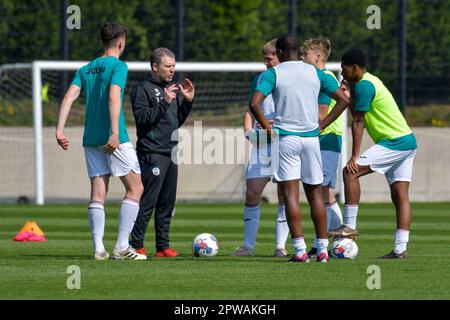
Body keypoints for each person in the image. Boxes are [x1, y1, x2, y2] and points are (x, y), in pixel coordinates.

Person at [250, 34, 350, 263]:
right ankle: (323, 251)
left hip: (286, 139)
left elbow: (254, 103)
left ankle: (300, 250)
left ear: (282, 52)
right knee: (316, 195)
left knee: (290, 195)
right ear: (297, 51)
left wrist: (267, 127)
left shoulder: (273, 73)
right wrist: (321, 125)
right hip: (311, 140)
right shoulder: (315, 72)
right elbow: (344, 100)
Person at [55, 22, 146, 261]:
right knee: (136, 188)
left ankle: (98, 250)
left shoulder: (86, 68)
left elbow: (68, 97)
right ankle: (122, 247)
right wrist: (114, 133)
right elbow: (114, 96)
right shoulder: (118, 66)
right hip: (112, 137)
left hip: (90, 138)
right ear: (120, 42)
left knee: (98, 192)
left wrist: (60, 130)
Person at [321, 48, 418, 259]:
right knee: (400, 196)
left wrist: (355, 156)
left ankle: (349, 226)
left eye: (344, 69)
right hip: (407, 141)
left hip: (395, 142)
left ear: (354, 68)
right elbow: (358, 112)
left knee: (350, 172)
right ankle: (400, 249)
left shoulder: (365, 85)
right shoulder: (369, 81)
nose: (342, 72)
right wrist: (348, 96)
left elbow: (358, 121)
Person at [129, 48, 195, 258]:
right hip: (152, 152)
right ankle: (136, 244)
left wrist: (188, 102)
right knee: (148, 200)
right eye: (168, 66)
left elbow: (176, 121)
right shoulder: (142, 89)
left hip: (171, 152)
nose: (172, 70)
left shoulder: (172, 88)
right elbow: (143, 119)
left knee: (167, 202)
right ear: (154, 66)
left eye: (174, 66)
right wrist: (164, 101)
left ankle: (162, 246)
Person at [232, 39, 290, 258]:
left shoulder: (290, 78)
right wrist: (248, 130)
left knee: (285, 195)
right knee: (252, 192)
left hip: (284, 145)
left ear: (281, 56)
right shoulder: (259, 78)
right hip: (262, 145)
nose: (266, 62)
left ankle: (280, 246)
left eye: (270, 58)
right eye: (264, 58)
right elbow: (250, 109)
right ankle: (248, 246)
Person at [300, 37, 344, 256]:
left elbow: (321, 114)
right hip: (322, 141)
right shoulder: (319, 77)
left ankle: (339, 236)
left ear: (317, 57)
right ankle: (326, 240)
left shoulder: (324, 78)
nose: (301, 59)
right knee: (321, 191)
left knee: (323, 191)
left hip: (326, 139)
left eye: (304, 55)